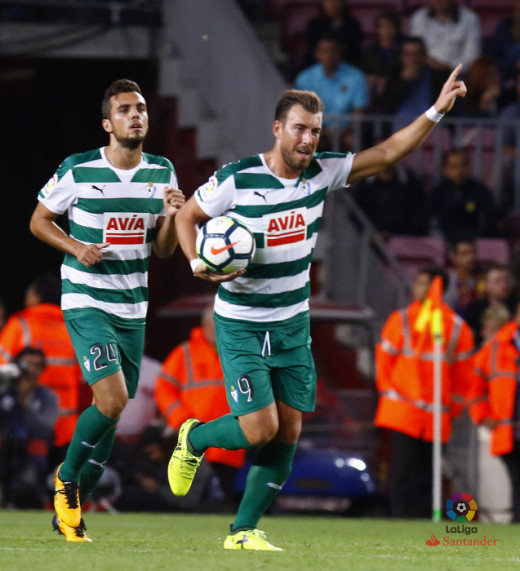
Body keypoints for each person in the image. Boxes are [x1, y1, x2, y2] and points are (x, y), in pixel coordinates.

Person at [169, 66, 467, 550]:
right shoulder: (237, 179)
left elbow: (389, 151)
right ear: (277, 129)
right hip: (242, 322)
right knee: (259, 427)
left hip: (291, 323)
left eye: (315, 130)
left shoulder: (322, 172)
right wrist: (196, 260)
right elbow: (188, 215)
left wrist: (436, 110)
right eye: (299, 129)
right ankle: (195, 439)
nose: (308, 139)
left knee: (287, 431)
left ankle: (243, 532)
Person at [29, 79, 185, 542]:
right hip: (86, 299)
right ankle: (67, 482)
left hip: (133, 306)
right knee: (113, 399)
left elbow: (162, 250)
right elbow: (39, 220)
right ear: (107, 123)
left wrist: (173, 217)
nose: (135, 115)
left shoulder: (162, 171)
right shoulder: (78, 170)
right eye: (124, 110)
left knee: (112, 411)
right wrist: (76, 247)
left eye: (140, 108)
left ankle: (72, 509)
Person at [374, 267, 474, 518]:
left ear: (436, 287)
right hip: (405, 411)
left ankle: (417, 519)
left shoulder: (456, 327)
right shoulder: (403, 319)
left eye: (422, 283)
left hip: (436, 416)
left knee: (427, 473)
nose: (416, 288)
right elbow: (384, 361)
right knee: (404, 470)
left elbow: (464, 375)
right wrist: (389, 392)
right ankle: (400, 518)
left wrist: (454, 407)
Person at [155, 305, 245, 507]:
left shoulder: (239, 352)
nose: (218, 329)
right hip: (193, 440)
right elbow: (164, 389)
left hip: (230, 443)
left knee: (223, 501)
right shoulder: (185, 352)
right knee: (189, 501)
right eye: (214, 324)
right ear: (204, 325)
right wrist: (180, 419)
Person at [0, 273, 82, 466]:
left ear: (37, 295)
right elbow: (83, 376)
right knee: (61, 485)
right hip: (66, 423)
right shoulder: (73, 327)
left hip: (27, 426)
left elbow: (3, 370)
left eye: (29, 293)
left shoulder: (20, 323)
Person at [468, 303, 520, 522]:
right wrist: (482, 414)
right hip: (508, 429)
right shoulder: (496, 348)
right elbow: (473, 386)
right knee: (517, 480)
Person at [0, 347, 58, 509]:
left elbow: (45, 427)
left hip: (31, 454)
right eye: (26, 363)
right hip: (4, 448)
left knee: (27, 482)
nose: (30, 369)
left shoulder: (46, 396)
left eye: (37, 365)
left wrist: (25, 402)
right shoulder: (4, 391)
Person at [295, 34, 369, 151]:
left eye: (334, 50)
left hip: (347, 131)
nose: (329, 55)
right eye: (325, 51)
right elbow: (302, 112)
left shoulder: (356, 76)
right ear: (317, 54)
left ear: (340, 52)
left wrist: (343, 133)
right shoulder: (304, 78)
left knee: (354, 141)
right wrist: (322, 131)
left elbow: (359, 113)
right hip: (317, 130)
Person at [375, 37, 446, 133]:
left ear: (425, 56)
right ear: (402, 57)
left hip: (431, 132)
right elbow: (385, 107)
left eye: (417, 54)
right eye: (408, 54)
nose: (413, 59)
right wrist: (402, 82)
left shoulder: (436, 78)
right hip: (399, 133)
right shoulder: (394, 76)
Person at [428, 149, 499, 242]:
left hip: (474, 246)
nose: (459, 171)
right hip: (444, 244)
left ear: (469, 167)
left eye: (463, 165)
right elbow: (432, 223)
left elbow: (489, 224)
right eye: (454, 167)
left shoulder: (481, 193)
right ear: (446, 169)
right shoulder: (437, 194)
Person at [352, 161, 427, 240]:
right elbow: (357, 215)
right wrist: (372, 235)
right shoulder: (364, 186)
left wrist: (396, 235)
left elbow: (417, 215)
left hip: (404, 242)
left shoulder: (411, 183)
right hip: (369, 241)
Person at [409, 0, 481, 72]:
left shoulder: (470, 18)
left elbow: (472, 56)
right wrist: (430, 63)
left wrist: (449, 68)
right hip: (425, 71)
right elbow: (415, 50)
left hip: (458, 74)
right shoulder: (419, 18)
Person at [463, 263, 518, 347]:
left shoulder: (517, 307)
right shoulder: (474, 309)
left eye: (507, 280)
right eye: (498, 281)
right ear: (486, 285)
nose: (504, 284)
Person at [304, 0, 363, 69]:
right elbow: (312, 44)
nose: (332, 5)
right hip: (319, 63)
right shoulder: (314, 24)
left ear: (342, 3)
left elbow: (354, 45)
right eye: (328, 2)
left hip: (348, 62)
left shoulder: (352, 24)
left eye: (335, 2)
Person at [361, 11, 402, 102]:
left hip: (395, 91)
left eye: (390, 26)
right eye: (382, 26)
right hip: (371, 90)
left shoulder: (402, 50)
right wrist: (372, 78)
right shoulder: (370, 50)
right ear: (377, 29)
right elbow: (362, 72)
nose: (386, 30)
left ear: (397, 28)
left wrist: (387, 80)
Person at [444, 236, 485, 316]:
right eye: (465, 254)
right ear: (454, 257)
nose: (471, 257)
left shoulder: (486, 279)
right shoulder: (449, 282)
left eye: (474, 252)